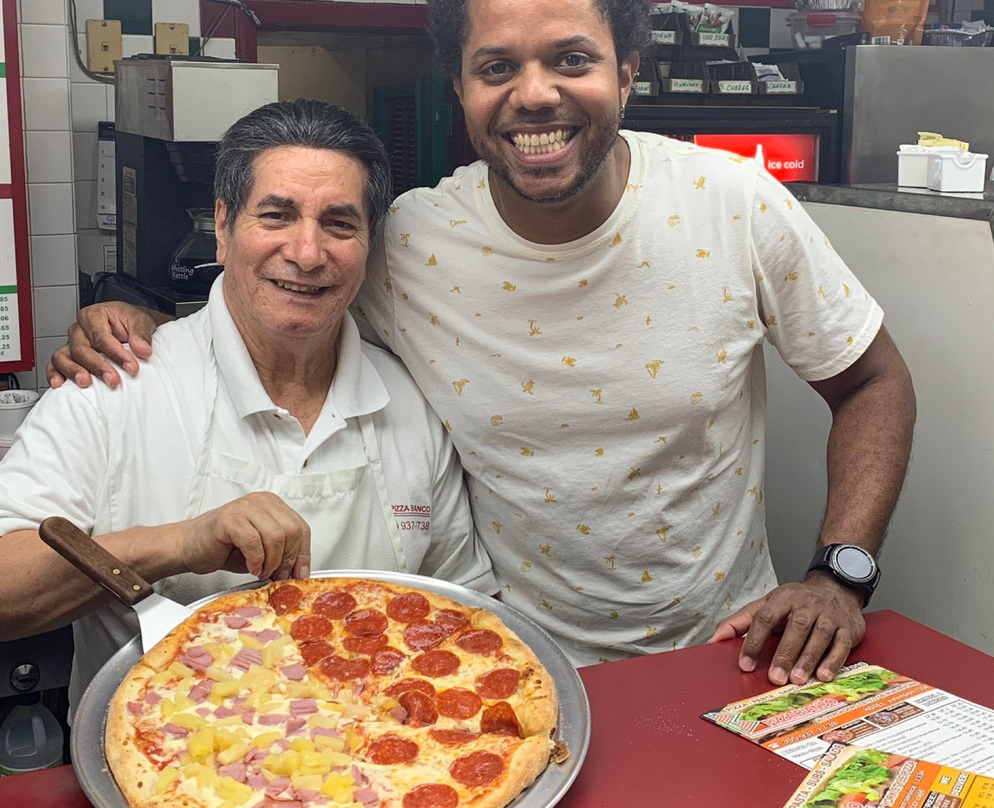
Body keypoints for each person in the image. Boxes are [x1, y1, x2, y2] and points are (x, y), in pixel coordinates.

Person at [46, 0, 916, 686]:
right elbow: (289, 291)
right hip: (510, 667)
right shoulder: (410, 246)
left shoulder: (734, 205)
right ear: (459, 88)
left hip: (733, 654)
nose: (534, 94)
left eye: (571, 59)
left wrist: (839, 574)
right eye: (497, 67)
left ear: (628, 70)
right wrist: (145, 329)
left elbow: (874, 382)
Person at [0, 99, 496, 718]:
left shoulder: (409, 402)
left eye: (339, 224)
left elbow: (469, 613)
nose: (307, 253)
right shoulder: (117, 386)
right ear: (222, 226)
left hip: (384, 753)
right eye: (276, 215)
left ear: (368, 245)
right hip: (170, 754)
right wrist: (179, 543)